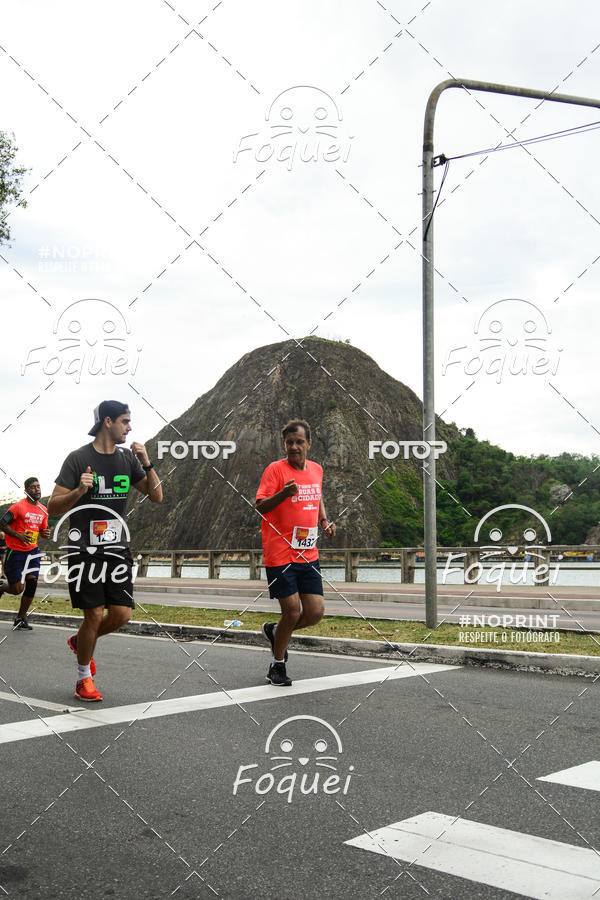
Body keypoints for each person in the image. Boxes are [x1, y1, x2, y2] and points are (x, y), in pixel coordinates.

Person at [48, 400, 163, 702]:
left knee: (122, 614)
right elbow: (54, 507)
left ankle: (80, 640)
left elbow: (156, 496)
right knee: (94, 614)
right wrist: (78, 491)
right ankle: (82, 678)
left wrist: (147, 462)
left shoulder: (127, 459)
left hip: (117, 549)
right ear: (107, 422)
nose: (130, 427)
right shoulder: (77, 459)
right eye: (125, 421)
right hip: (85, 550)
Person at [256, 419, 336, 686]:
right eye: (289, 442)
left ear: (308, 444)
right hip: (280, 553)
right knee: (291, 611)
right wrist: (284, 493)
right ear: (284, 444)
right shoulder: (275, 470)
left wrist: (324, 521)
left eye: (299, 442)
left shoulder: (316, 469)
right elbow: (261, 506)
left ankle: (276, 632)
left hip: (308, 553)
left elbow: (317, 495)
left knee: (314, 612)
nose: (294, 446)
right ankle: (277, 665)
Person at [0, 478, 50, 629]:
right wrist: (18, 535)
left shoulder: (43, 509)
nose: (37, 489)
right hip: (15, 552)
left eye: (38, 486)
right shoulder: (18, 507)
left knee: (32, 583)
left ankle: (20, 618)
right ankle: (1, 587)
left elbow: (42, 530)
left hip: (33, 551)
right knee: (17, 590)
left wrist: (45, 533)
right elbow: (2, 523)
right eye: (33, 487)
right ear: (26, 490)